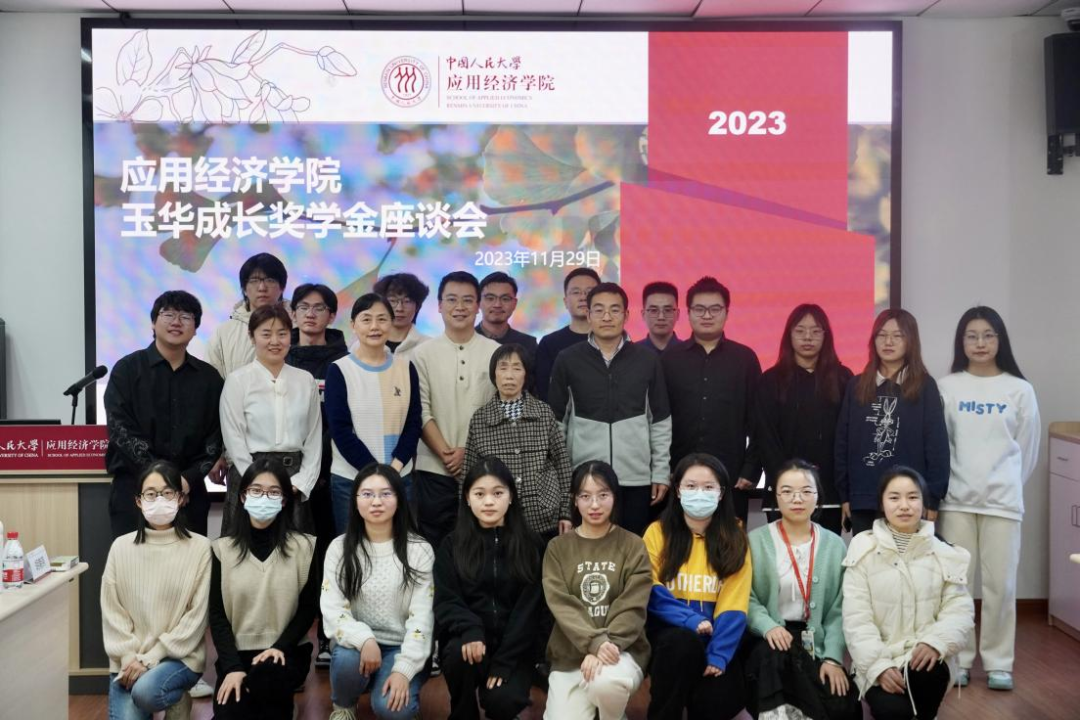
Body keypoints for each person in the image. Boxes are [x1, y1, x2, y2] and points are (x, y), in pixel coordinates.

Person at [937, 306, 1040, 691]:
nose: (980, 343)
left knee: (1002, 586)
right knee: (956, 584)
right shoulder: (948, 387)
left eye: (988, 335)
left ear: (1000, 340)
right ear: (961, 342)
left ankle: (999, 662)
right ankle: (959, 659)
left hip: (1003, 504)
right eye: (972, 336)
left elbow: (1027, 450)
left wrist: (1005, 484)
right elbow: (942, 446)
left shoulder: (1019, 390)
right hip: (957, 502)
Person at [842, 467, 974, 720]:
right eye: (894, 498)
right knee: (893, 711)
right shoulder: (863, 549)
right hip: (879, 659)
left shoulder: (944, 553)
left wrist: (935, 642)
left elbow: (960, 611)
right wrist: (879, 667)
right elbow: (856, 620)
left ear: (924, 504)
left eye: (913, 497)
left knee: (927, 673)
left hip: (924, 660)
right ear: (882, 503)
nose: (904, 505)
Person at [548, 282, 672, 536]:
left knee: (633, 549)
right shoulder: (568, 359)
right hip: (585, 479)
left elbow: (659, 422)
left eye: (615, 310)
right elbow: (556, 425)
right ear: (588, 315)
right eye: (599, 310)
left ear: (626, 315)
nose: (607, 317)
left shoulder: (647, 360)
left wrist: (660, 473)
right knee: (588, 551)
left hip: (635, 480)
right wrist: (563, 480)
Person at [745, 460, 860, 720]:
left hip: (816, 641)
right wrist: (767, 626)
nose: (797, 499)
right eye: (787, 491)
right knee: (774, 665)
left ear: (818, 496)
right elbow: (745, 596)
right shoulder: (755, 541)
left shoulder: (834, 545)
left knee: (842, 706)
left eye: (806, 491)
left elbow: (839, 609)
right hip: (769, 640)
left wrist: (832, 658)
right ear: (776, 496)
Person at [104, 290, 224, 537]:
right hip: (135, 491)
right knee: (134, 559)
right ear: (153, 322)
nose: (176, 322)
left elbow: (215, 437)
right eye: (168, 314)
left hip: (188, 493)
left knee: (191, 561)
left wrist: (185, 481)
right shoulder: (127, 370)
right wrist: (163, 482)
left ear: (196, 328)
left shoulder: (209, 379)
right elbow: (120, 430)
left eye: (186, 316)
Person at [434, 456, 545, 720]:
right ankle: (462, 713)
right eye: (479, 494)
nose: (488, 502)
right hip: (470, 642)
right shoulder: (451, 545)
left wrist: (505, 661)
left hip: (514, 649)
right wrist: (470, 630)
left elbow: (530, 611)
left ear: (511, 496)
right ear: (467, 498)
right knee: (458, 655)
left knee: (502, 702)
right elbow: (446, 600)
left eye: (497, 493)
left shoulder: (532, 545)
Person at [643, 453, 752, 720]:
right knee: (681, 645)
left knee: (718, 700)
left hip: (717, 636)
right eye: (691, 486)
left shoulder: (736, 536)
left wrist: (719, 654)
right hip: (669, 636)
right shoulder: (657, 532)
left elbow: (734, 601)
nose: (699, 493)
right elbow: (649, 588)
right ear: (678, 490)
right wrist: (689, 620)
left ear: (721, 493)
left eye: (708, 487)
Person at [321, 463, 435, 720]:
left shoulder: (419, 549)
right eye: (367, 494)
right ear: (355, 500)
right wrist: (365, 639)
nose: (376, 502)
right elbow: (332, 610)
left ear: (399, 499)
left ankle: (399, 690)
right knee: (347, 659)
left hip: (401, 646)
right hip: (357, 648)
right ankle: (344, 707)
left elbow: (423, 618)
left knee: (392, 710)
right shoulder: (339, 548)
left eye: (386, 493)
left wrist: (403, 669)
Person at [101, 460, 211, 720]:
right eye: (150, 494)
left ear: (181, 498)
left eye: (167, 493)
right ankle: (167, 693)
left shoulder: (201, 548)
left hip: (178, 658)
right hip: (129, 660)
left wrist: (150, 658)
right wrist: (129, 657)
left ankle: (176, 695)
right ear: (139, 501)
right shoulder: (120, 547)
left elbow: (196, 618)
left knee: (146, 691)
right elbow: (112, 612)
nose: (159, 500)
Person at [542, 461, 652, 720]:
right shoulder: (558, 548)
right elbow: (561, 604)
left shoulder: (633, 545)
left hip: (620, 651)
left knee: (606, 684)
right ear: (574, 499)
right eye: (585, 496)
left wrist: (605, 645)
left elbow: (632, 606)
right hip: (570, 656)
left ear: (615, 497)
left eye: (603, 495)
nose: (594, 505)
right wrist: (594, 642)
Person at [210, 459, 317, 720]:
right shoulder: (222, 549)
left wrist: (280, 646)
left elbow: (308, 609)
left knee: (267, 679)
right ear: (243, 496)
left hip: (285, 652)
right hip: (238, 653)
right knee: (230, 712)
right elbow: (217, 616)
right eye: (256, 490)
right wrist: (233, 668)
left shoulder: (304, 547)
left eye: (273, 492)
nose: (264, 497)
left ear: (284, 500)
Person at [835, 309, 950, 536]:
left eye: (898, 336)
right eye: (882, 335)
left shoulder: (925, 386)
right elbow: (842, 443)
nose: (888, 342)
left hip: (909, 502)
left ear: (911, 341)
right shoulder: (856, 385)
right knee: (867, 557)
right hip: (864, 497)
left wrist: (932, 497)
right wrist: (845, 495)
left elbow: (936, 444)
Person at [285, 282, 349, 668]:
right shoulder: (279, 355)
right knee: (291, 558)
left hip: (335, 472)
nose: (311, 314)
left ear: (332, 315)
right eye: (303, 307)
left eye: (319, 308)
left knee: (330, 554)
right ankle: (288, 641)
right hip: (289, 476)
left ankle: (329, 634)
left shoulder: (346, 360)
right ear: (292, 313)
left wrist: (322, 465)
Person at [411, 271, 499, 549]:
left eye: (467, 300)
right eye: (451, 299)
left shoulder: (496, 352)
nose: (459, 307)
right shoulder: (422, 354)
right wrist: (447, 455)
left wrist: (468, 452)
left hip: (483, 469)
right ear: (439, 305)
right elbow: (420, 410)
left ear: (478, 306)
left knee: (481, 546)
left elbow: (500, 411)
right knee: (435, 547)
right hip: (433, 470)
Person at [662, 276, 761, 521]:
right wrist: (662, 470)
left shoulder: (744, 359)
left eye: (715, 309)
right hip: (677, 474)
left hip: (730, 475)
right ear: (688, 313)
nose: (707, 315)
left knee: (728, 539)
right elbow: (657, 420)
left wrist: (751, 468)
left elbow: (759, 421)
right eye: (699, 309)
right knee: (678, 538)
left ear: (726, 312)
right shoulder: (668, 359)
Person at [220, 304, 322, 534]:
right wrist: (256, 483)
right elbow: (234, 438)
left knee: (294, 550)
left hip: (293, 477)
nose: (275, 341)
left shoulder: (305, 380)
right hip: (248, 475)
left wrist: (301, 482)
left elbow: (313, 438)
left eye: (282, 334)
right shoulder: (238, 380)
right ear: (252, 337)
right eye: (266, 334)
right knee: (241, 547)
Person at [325, 293, 422, 534]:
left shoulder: (406, 367)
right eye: (366, 319)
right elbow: (340, 430)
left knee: (400, 546)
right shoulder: (339, 370)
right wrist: (375, 473)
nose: (374, 326)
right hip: (351, 480)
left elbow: (413, 423)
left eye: (382, 319)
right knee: (352, 549)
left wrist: (394, 468)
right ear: (353, 325)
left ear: (391, 323)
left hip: (400, 477)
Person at [755, 305, 854, 534]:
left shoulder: (843, 378)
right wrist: (785, 482)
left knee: (825, 552)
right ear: (789, 335)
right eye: (800, 331)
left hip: (830, 492)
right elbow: (766, 437)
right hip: (785, 491)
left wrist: (846, 490)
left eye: (815, 331)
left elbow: (849, 437)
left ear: (826, 336)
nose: (807, 337)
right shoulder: (771, 380)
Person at [463, 343, 573, 540]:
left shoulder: (543, 413)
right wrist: (468, 519)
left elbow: (562, 464)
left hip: (543, 517)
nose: (509, 376)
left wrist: (565, 512)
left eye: (517, 368)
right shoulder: (480, 419)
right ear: (494, 374)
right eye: (503, 368)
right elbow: (468, 474)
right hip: (497, 519)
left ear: (526, 375)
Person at [208, 252, 288, 379]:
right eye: (254, 280)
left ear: (282, 287)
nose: (262, 287)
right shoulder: (223, 333)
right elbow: (211, 381)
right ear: (244, 289)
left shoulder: (298, 328)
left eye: (270, 280)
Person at [534, 267, 600, 401]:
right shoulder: (549, 344)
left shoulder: (613, 341)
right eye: (576, 292)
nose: (583, 297)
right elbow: (544, 392)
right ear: (565, 302)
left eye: (589, 292)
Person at [476, 271, 539, 356]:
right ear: (478, 302)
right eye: (490, 298)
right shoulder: (464, 340)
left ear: (514, 303)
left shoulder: (528, 344)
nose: (497, 305)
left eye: (505, 299)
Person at [372, 272, 432, 359]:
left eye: (407, 301)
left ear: (417, 306)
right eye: (392, 301)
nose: (399, 308)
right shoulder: (365, 345)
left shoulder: (429, 347)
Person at [638, 281, 681, 354]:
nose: (661, 317)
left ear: (677, 314)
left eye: (667, 310)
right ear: (643, 314)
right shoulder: (631, 354)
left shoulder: (690, 354)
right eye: (654, 310)